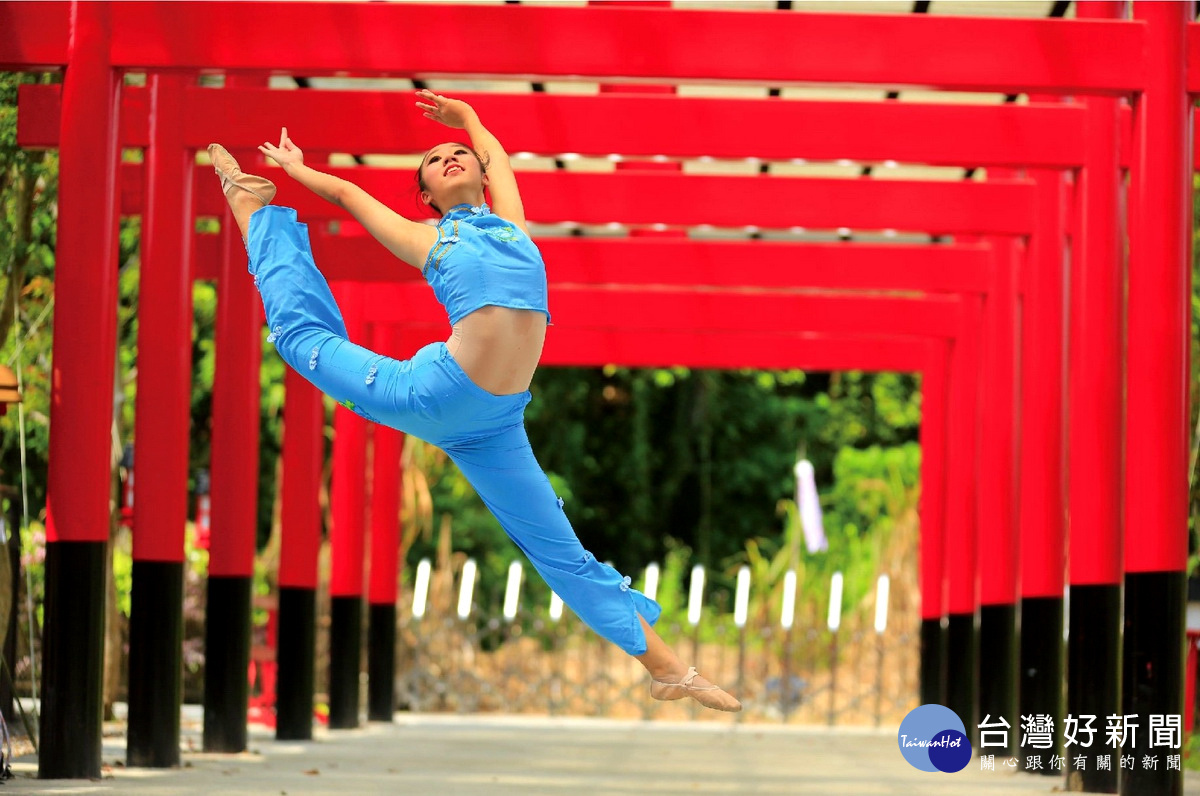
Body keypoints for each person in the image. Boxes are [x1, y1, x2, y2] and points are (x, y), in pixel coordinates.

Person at [208, 89, 740, 712]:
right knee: (304, 342)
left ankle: (669, 670)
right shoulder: (427, 241)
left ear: (483, 176)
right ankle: (252, 210)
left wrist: (471, 122)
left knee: (559, 548)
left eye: (460, 153)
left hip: (496, 427)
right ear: (427, 195)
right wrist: (299, 172)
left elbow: (500, 160)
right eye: (435, 159)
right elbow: (352, 197)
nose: (451, 156)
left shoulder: (511, 226)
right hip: (428, 390)